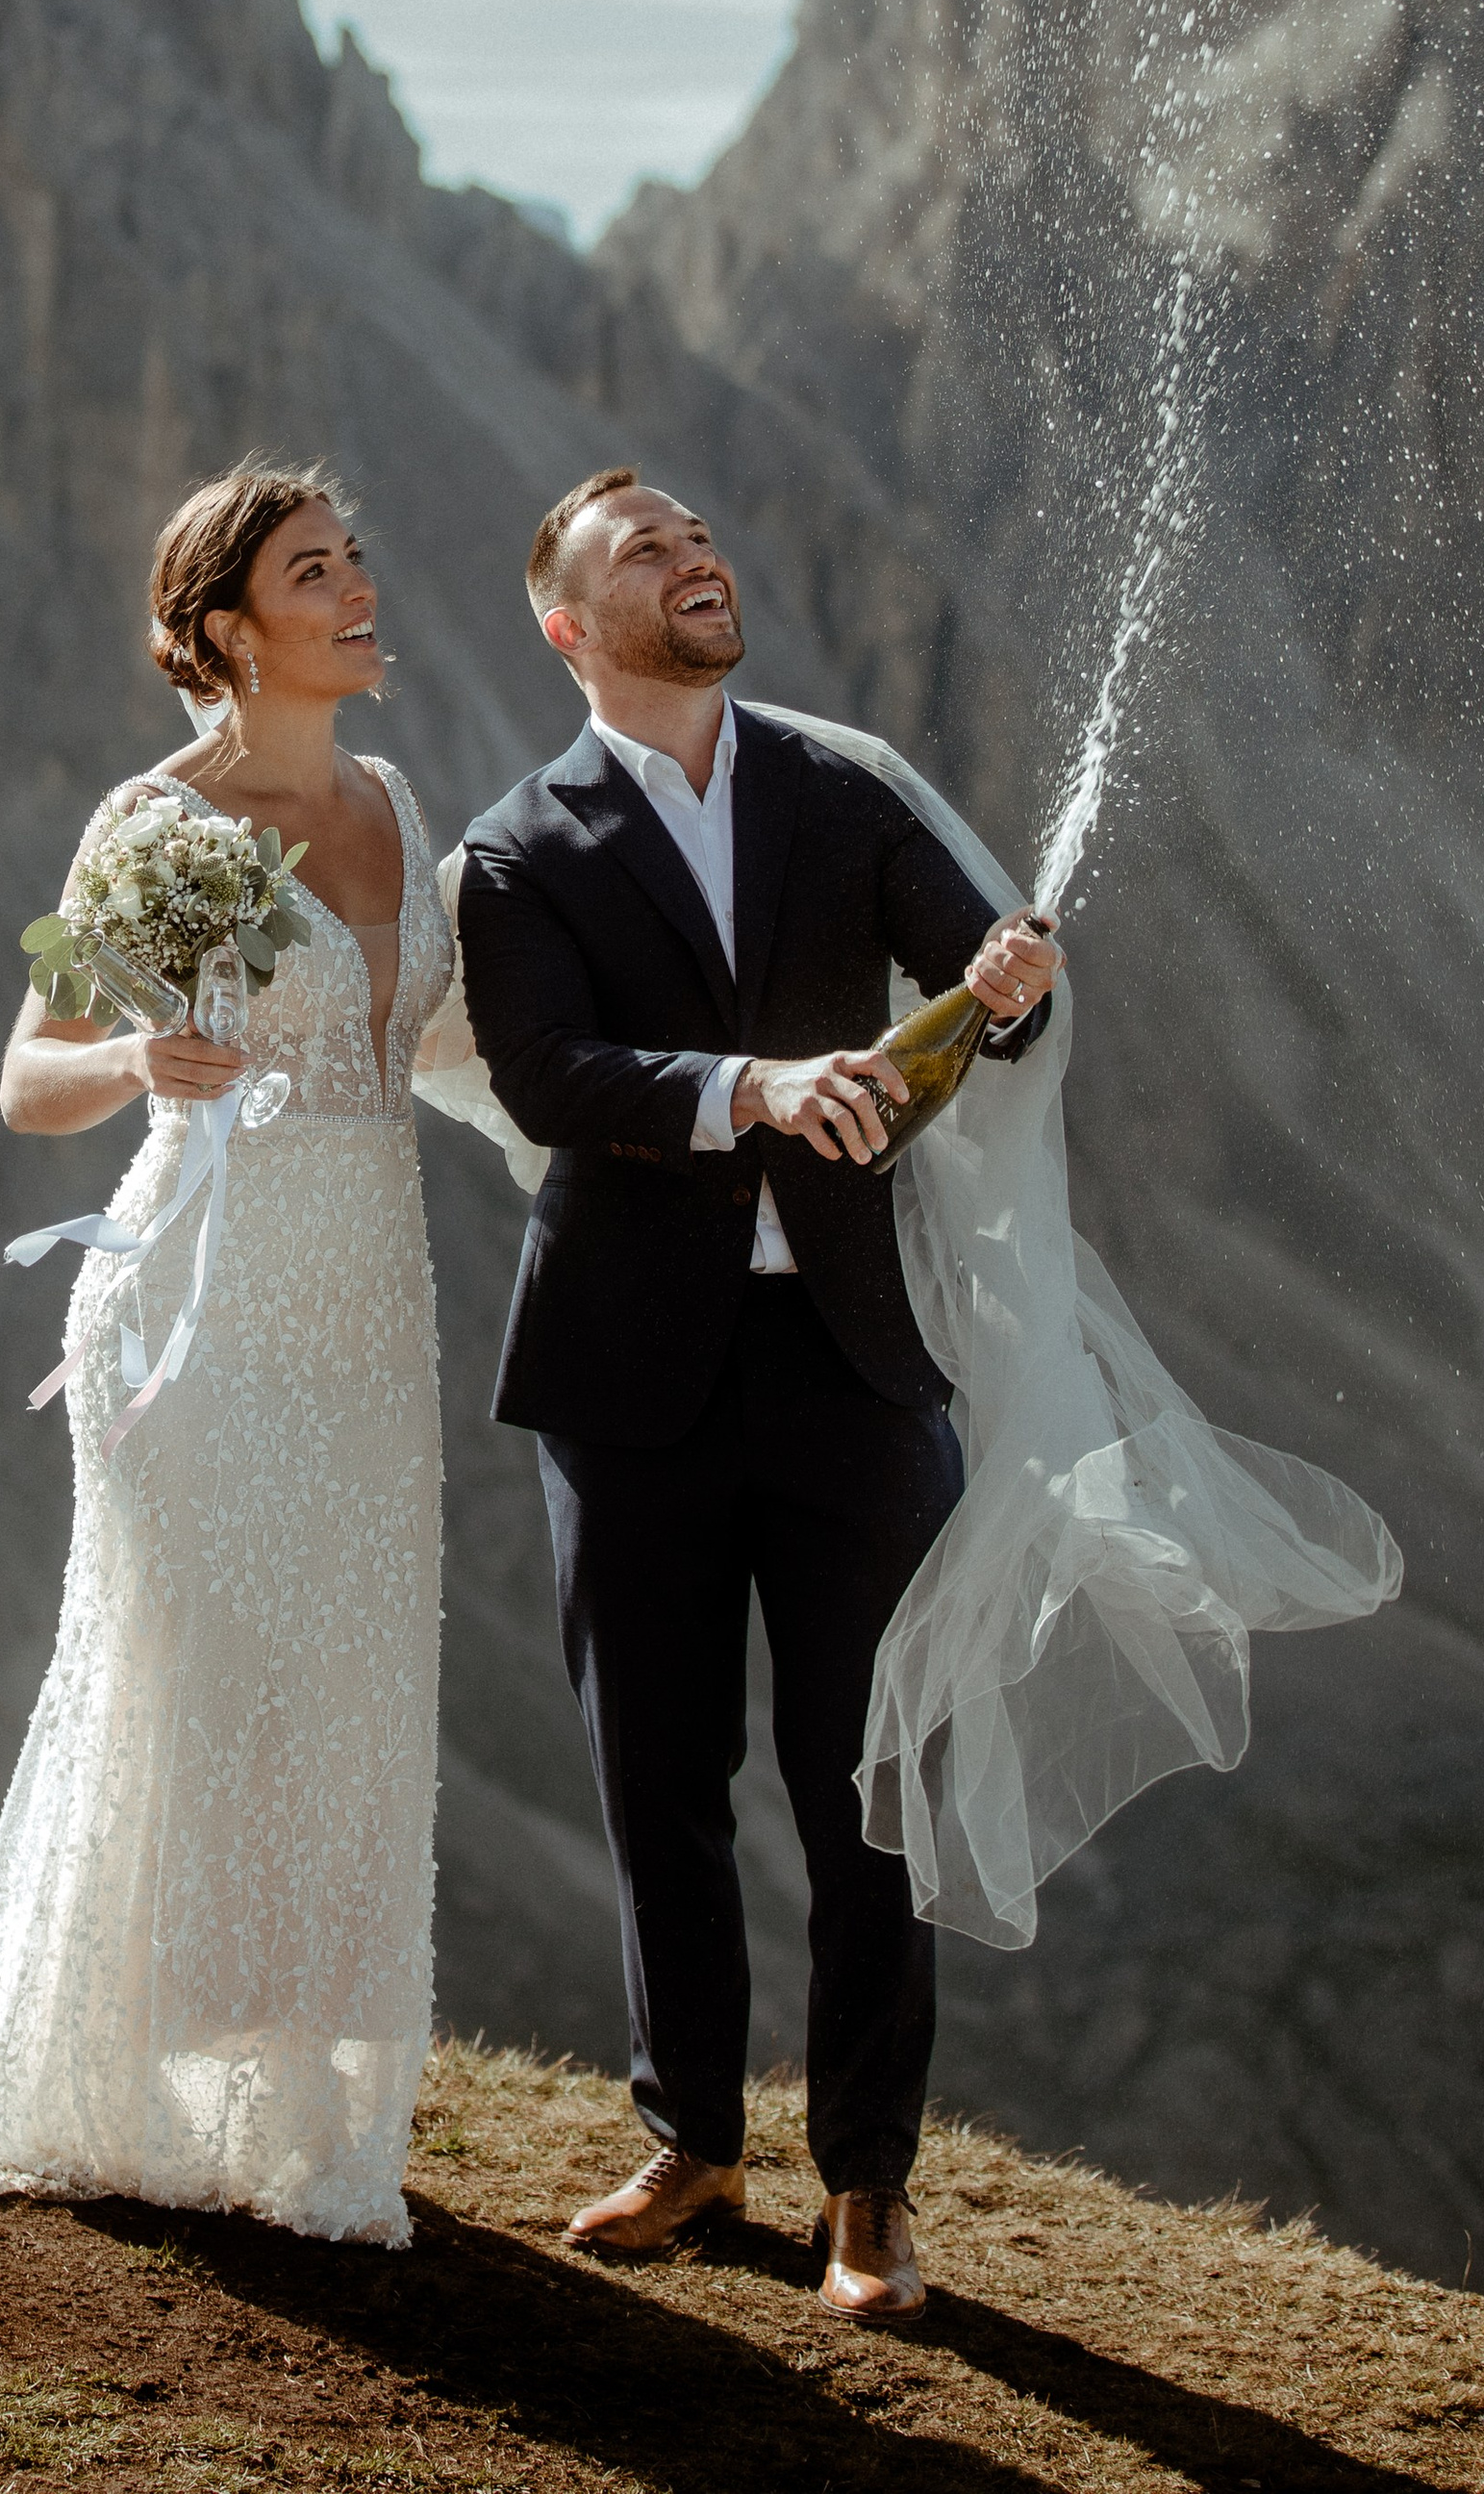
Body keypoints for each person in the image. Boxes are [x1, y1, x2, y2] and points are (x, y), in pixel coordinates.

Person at [454, 466, 1062, 2325]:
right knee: (661, 1778)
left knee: (871, 1780)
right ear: (570, 627)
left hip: (853, 1366)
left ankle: (867, 2192)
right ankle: (692, 2141)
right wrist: (756, 1086)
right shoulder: (514, 847)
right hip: (624, 1378)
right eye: (647, 551)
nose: (696, 559)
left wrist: (1011, 982)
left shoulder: (841, 787)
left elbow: (981, 966)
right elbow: (552, 1078)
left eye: (703, 538)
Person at [0, 466, 454, 2247]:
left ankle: (290, 2119)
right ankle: (104, 2083)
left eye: (357, 558)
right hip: (191, 1313)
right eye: (314, 572)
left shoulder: (396, 800)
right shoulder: (154, 822)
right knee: (186, 1668)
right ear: (226, 630)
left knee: (344, 1690)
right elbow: (24, 1073)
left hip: (371, 1310)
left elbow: (436, 1043)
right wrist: (141, 1062)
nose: (359, 590)